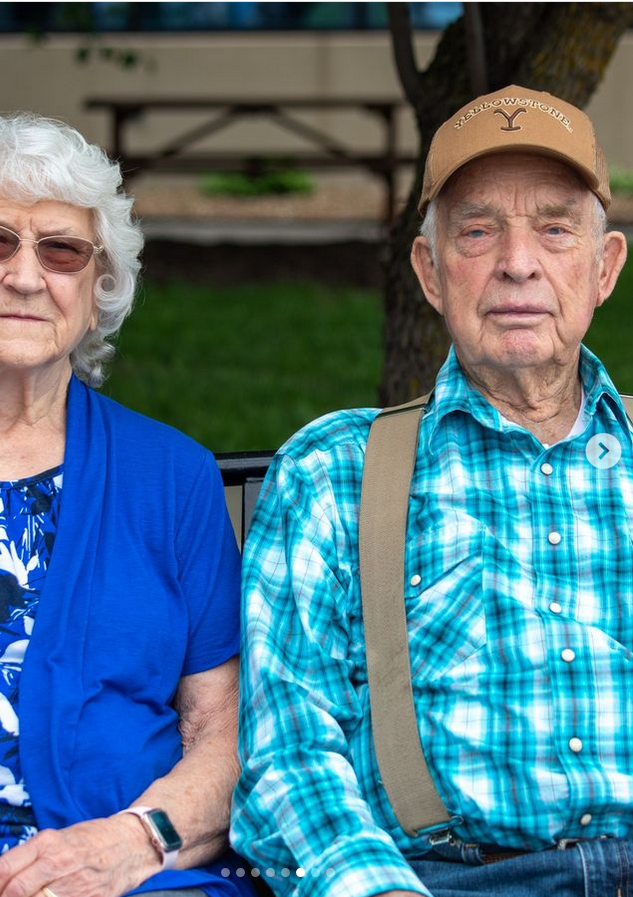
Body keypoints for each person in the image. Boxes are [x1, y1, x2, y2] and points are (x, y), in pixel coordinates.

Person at [231, 85, 631, 897]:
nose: (518, 262)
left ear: (604, 268)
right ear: (430, 270)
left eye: (555, 228)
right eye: (479, 231)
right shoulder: (336, 472)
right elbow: (288, 754)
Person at [0, 113, 254, 897]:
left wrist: (131, 842)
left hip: (129, 880)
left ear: (97, 286)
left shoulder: (173, 478)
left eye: (62, 250)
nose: (28, 276)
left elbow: (224, 734)